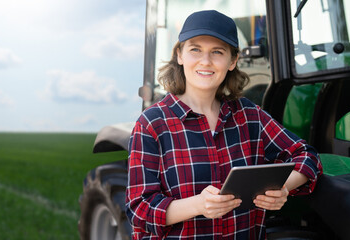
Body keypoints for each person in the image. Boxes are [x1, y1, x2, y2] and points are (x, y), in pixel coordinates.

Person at [125, 10, 323, 240]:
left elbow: (307, 156)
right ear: (180, 55)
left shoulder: (249, 116)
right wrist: (198, 205)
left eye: (217, 52)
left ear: (233, 61)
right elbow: (139, 210)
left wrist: (282, 188)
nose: (205, 61)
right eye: (195, 49)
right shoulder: (151, 124)